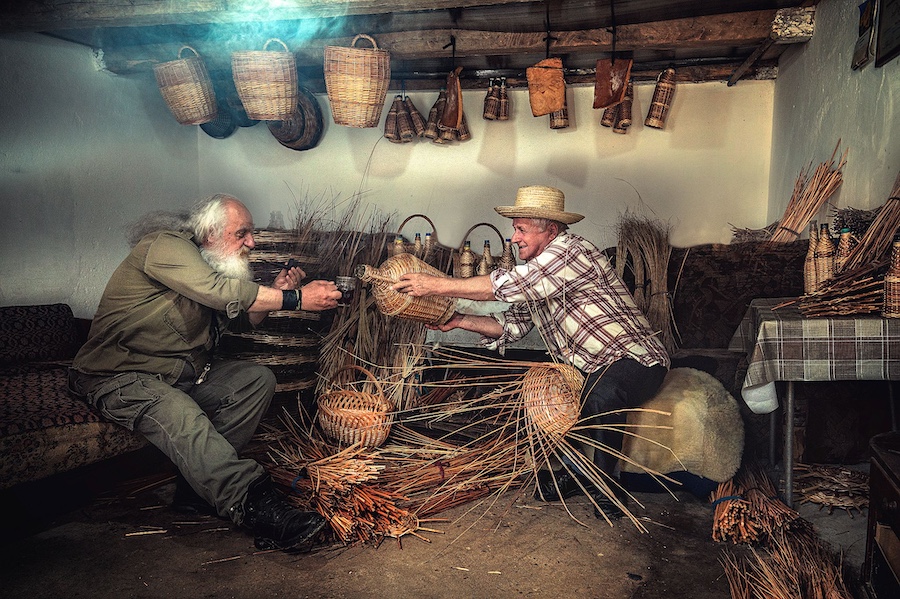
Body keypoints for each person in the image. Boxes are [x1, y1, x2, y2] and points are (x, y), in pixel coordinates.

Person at [69, 193, 341, 550]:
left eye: (251, 233)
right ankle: (253, 504)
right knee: (181, 413)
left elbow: (246, 315)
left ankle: (194, 491)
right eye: (241, 233)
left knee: (256, 380)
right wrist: (298, 299)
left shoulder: (211, 265)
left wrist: (277, 291)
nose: (252, 242)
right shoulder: (164, 247)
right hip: (119, 376)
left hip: (174, 380)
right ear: (210, 233)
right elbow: (219, 292)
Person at [393, 185, 670, 519]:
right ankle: (576, 471)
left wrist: (434, 284)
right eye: (514, 228)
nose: (514, 237)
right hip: (589, 368)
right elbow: (510, 325)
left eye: (521, 229)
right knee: (581, 394)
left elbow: (511, 284)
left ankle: (605, 483)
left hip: (636, 360)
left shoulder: (570, 251)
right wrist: (458, 320)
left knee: (604, 392)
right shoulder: (540, 271)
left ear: (551, 230)